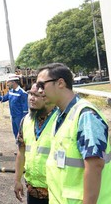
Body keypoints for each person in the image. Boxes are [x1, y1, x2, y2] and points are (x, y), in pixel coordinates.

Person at [36, 63, 110, 203]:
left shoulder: (86, 115)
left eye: (41, 85)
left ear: (60, 83)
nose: (39, 91)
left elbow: (95, 165)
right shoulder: (60, 116)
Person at [14, 83, 59, 204]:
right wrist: (17, 180)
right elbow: (21, 152)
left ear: (49, 97)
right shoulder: (26, 120)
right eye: (30, 93)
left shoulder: (61, 120)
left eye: (37, 95)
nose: (31, 98)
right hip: (33, 191)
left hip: (56, 192)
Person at [0, 75, 29, 139]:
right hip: (13, 117)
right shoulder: (10, 92)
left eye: (8, 82)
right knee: (16, 134)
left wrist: (23, 120)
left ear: (13, 82)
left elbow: (25, 110)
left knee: (22, 134)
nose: (7, 84)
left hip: (20, 117)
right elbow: (3, 99)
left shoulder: (22, 93)